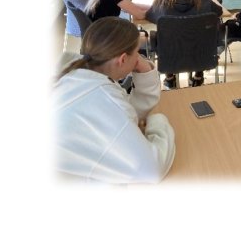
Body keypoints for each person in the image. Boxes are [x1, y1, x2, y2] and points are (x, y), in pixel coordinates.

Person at [54, 17, 175, 183]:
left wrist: (145, 72)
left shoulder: (77, 73)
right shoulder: (101, 98)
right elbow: (152, 170)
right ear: (123, 59)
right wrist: (157, 121)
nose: (138, 58)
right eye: (137, 53)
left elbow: (126, 113)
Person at [146, 0, 223, 88]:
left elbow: (151, 16)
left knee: (165, 35)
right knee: (201, 34)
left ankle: (169, 77)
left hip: (170, 52)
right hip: (200, 51)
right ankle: (198, 75)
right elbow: (218, 12)